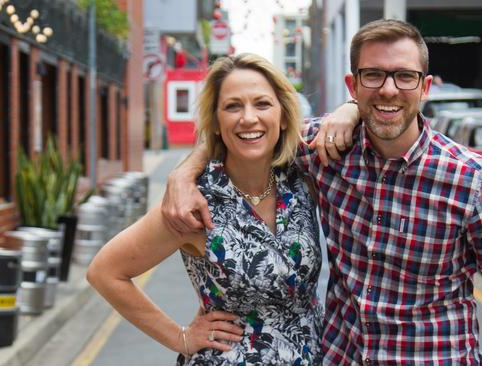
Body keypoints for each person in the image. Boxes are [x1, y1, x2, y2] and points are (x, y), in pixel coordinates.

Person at [162, 19, 482, 365]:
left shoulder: (474, 180)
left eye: (405, 76)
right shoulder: (324, 148)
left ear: (425, 87)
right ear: (353, 86)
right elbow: (250, 130)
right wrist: (185, 173)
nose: (389, 89)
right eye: (373, 75)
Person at [87, 53, 358, 365]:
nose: (248, 118)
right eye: (232, 106)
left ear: (283, 115)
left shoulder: (301, 176)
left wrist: (351, 107)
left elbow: (362, 117)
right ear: (215, 122)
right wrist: (180, 337)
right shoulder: (194, 202)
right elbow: (105, 272)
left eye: (262, 104)